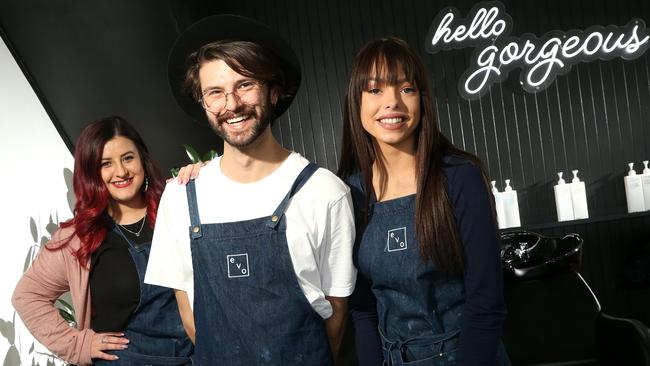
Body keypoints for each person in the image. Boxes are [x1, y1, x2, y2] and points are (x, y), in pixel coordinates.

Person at [144, 14, 356, 365]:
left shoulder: (325, 192)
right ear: (202, 102)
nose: (232, 104)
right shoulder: (180, 196)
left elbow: (336, 316)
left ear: (273, 91)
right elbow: (189, 313)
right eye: (215, 93)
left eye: (245, 85)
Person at [338, 37, 511, 365]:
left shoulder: (460, 176)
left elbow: (486, 302)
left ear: (422, 100)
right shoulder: (350, 192)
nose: (392, 103)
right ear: (355, 102)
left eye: (406, 89)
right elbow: (363, 310)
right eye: (375, 90)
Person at [12, 116, 200, 365]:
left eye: (128, 158)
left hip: (196, 357)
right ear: (92, 172)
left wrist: (205, 178)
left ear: (142, 159)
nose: (121, 172)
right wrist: (79, 345)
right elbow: (27, 295)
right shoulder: (79, 237)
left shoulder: (178, 204)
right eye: (106, 164)